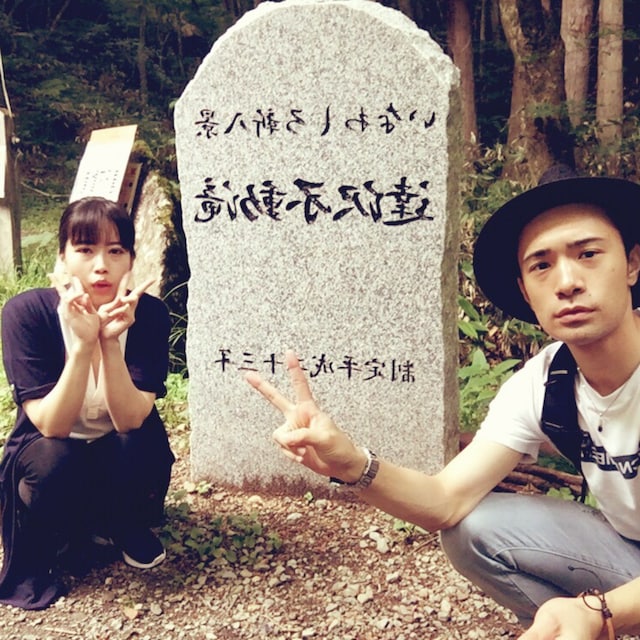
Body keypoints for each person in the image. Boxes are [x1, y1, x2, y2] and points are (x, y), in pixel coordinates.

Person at [246, 166, 640, 639]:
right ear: (525, 290)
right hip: (629, 552)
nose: (568, 281)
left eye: (588, 254)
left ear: (632, 264)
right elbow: (445, 501)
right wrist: (351, 464)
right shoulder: (545, 383)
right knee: (475, 527)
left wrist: (603, 611)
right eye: (541, 265)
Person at [0, 196, 175, 610]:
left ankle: (122, 522)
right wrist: (81, 347)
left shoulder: (149, 315)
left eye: (115, 251)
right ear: (63, 257)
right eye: (85, 249)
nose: (101, 266)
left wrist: (109, 342)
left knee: (138, 443)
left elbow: (131, 419)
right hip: (52, 449)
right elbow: (50, 424)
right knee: (54, 457)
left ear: (131, 259)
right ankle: (58, 530)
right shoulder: (26, 314)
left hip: (121, 445)